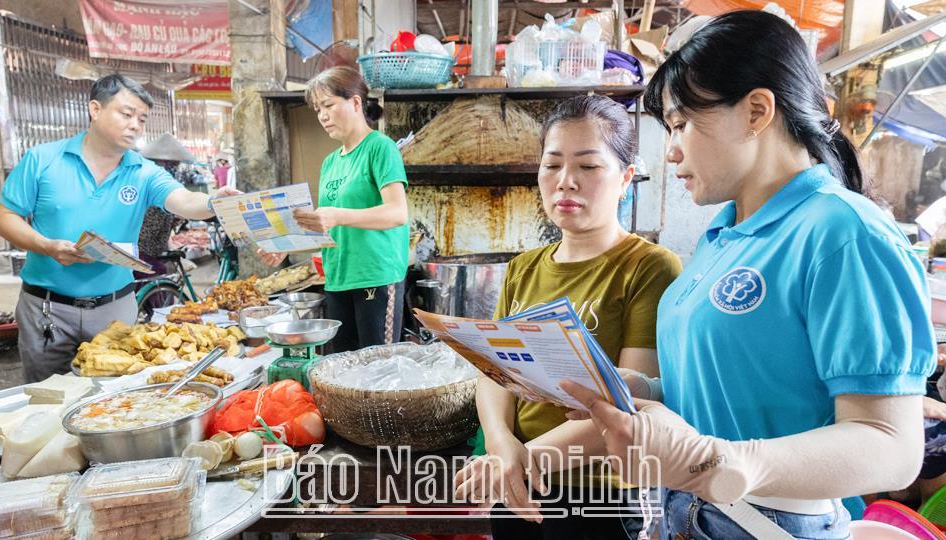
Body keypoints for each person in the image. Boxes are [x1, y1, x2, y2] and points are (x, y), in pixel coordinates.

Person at [561, 11, 936, 539]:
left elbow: (891, 446)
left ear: (757, 111)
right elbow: (745, 381)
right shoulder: (723, 236)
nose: (670, 151)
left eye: (681, 125)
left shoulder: (844, 232)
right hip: (681, 517)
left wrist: (727, 461)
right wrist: (644, 388)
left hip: (770, 523)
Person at [455, 95, 682, 540]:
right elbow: (493, 373)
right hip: (520, 482)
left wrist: (522, 459)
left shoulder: (649, 267)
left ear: (625, 178)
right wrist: (502, 444)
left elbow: (632, 405)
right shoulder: (524, 268)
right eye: (552, 164)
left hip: (600, 494)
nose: (565, 182)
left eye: (589, 166)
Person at [0, 75, 240, 382]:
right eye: (126, 114)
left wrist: (213, 201)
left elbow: (185, 200)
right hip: (47, 309)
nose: (136, 125)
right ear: (95, 109)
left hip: (115, 310)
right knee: (46, 399)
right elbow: (3, 217)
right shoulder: (42, 160)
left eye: (142, 118)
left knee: (116, 403)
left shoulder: (143, 171)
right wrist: (47, 246)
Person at [293, 66, 409, 353]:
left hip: (376, 276)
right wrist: (282, 244)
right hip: (338, 276)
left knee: (377, 370)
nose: (322, 115)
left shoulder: (380, 148)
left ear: (356, 103)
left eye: (329, 105)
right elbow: (325, 225)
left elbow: (397, 213)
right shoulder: (330, 162)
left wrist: (337, 215)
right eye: (318, 109)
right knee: (343, 371)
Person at [136, 133, 196, 276]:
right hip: (142, 254)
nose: (174, 168)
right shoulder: (152, 186)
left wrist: (173, 220)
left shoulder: (160, 185)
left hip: (150, 252)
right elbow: (148, 231)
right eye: (172, 164)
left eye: (175, 165)